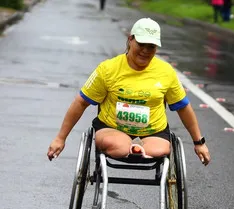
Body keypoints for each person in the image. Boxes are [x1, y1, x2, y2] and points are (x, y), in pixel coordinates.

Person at [47, 18, 211, 166]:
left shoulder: (166, 72)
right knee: (118, 146)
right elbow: (81, 102)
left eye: (151, 46)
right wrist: (60, 138)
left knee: (161, 150)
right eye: (141, 44)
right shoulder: (108, 69)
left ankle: (137, 149)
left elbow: (183, 107)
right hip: (112, 128)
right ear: (130, 40)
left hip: (153, 131)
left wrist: (199, 142)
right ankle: (132, 148)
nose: (145, 51)